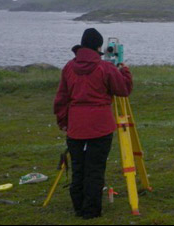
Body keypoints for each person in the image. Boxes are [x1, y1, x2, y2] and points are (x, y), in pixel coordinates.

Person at [53, 28, 133, 219]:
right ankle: (91, 211)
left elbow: (61, 99)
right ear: (98, 47)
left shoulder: (69, 68)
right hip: (100, 126)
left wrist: (64, 122)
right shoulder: (105, 68)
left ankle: (79, 207)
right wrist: (125, 72)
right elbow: (123, 89)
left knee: (79, 168)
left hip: (76, 127)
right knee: (95, 169)